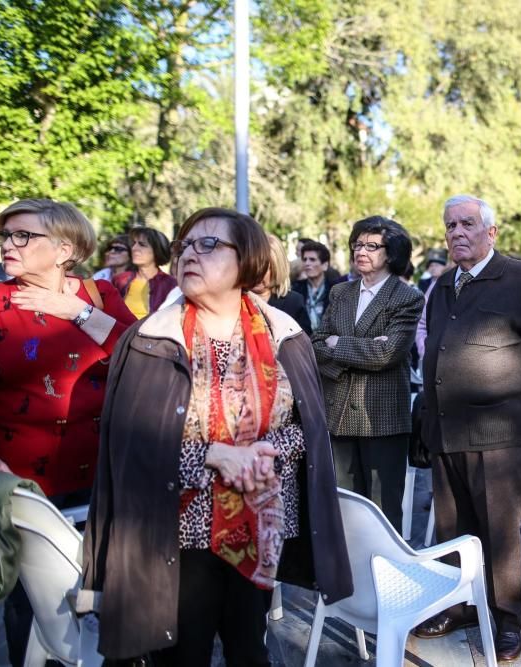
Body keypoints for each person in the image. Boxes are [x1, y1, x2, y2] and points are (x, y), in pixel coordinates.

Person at [80, 207, 353, 663]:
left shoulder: (285, 334)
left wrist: (264, 454)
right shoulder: (152, 338)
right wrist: (213, 456)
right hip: (179, 536)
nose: (189, 253)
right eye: (184, 245)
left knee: (250, 648)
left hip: (261, 526)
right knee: (183, 652)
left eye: (208, 244)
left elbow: (305, 430)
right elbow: (131, 447)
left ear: (246, 259)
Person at [0, 198, 136, 666]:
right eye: (6, 235)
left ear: (65, 248)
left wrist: (73, 312)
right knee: (27, 605)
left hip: (100, 480)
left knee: (97, 597)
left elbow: (139, 352)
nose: (9, 244)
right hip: (19, 483)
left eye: (23, 235)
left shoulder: (99, 296)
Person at [413, 194, 521, 662]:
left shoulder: (520, 278)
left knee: (499, 532)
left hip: (498, 434)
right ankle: (458, 606)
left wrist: (513, 403)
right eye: (450, 225)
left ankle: (506, 618)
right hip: (446, 431)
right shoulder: (443, 286)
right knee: (453, 528)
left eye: (468, 224)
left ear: (490, 232)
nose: (457, 232)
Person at [311, 216, 424, 530]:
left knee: (381, 515)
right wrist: (359, 348)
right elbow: (316, 344)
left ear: (391, 253)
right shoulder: (340, 293)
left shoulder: (407, 297)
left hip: (382, 418)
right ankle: (347, 577)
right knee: (343, 510)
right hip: (339, 414)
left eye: (372, 246)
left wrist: (339, 344)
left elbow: (387, 354)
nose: (361, 251)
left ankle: (386, 577)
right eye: (358, 244)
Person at [112, 226, 178, 318]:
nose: (134, 248)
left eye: (142, 245)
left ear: (157, 250)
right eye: (134, 244)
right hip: (122, 331)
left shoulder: (171, 285)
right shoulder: (120, 280)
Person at [252, 233, 312, 334]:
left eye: (265, 268)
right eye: (253, 266)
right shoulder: (234, 299)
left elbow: (305, 345)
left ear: (277, 268)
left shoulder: (293, 302)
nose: (257, 273)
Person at [291, 240, 333, 331]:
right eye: (305, 259)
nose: (307, 263)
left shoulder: (336, 290)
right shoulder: (295, 289)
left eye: (312, 260)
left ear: (325, 265)